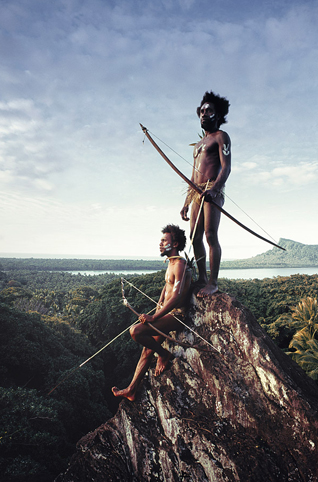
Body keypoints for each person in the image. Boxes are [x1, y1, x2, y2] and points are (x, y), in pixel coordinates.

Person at [112, 224, 192, 402]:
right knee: (147, 351)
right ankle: (131, 390)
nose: (161, 244)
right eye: (161, 240)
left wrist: (155, 317)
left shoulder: (180, 264)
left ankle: (164, 354)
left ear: (176, 243)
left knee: (136, 331)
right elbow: (167, 287)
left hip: (177, 315)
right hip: (166, 314)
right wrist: (158, 307)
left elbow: (177, 296)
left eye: (165, 240)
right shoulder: (171, 263)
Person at [180, 91, 231, 297]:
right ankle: (202, 277)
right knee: (194, 237)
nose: (203, 114)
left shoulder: (221, 137)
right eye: (201, 111)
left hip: (212, 191)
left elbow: (226, 168)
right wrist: (186, 203)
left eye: (208, 110)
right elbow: (193, 176)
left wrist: (215, 189)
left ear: (217, 115)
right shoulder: (199, 145)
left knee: (210, 235)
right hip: (196, 193)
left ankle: (213, 282)